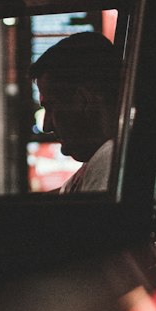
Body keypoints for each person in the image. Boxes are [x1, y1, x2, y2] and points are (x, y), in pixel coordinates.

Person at [31, 31, 121, 193]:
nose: (46, 126)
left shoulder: (109, 164)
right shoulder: (104, 161)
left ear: (83, 101)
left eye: (51, 107)